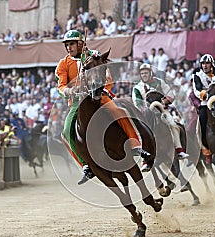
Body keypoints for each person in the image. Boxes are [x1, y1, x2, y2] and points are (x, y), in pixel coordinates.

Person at [55, 30, 151, 185]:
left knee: (118, 111)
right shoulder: (63, 64)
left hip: (100, 95)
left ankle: (135, 146)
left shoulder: (95, 55)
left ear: (80, 43)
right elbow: (61, 86)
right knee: (66, 132)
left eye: (72, 44)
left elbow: (107, 74)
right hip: (78, 102)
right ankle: (85, 165)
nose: (69, 47)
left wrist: (103, 87)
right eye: (67, 45)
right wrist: (70, 90)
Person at [132, 63, 189, 159]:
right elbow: (137, 102)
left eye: (146, 73)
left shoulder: (160, 82)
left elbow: (171, 95)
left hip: (162, 110)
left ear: (150, 73)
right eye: (142, 73)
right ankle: (146, 159)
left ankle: (179, 150)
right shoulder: (137, 87)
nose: (144, 75)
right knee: (141, 131)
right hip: (147, 114)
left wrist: (164, 102)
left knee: (173, 125)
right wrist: (145, 108)